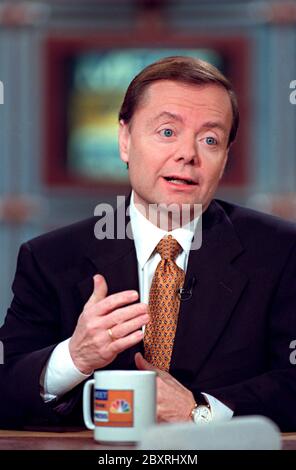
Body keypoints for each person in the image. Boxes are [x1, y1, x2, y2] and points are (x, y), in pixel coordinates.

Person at [0, 56, 296, 431]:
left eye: (210, 139)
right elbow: (5, 385)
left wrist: (200, 413)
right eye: (168, 132)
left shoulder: (282, 252)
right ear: (125, 141)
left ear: (224, 159)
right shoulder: (50, 258)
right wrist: (74, 358)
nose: (188, 154)